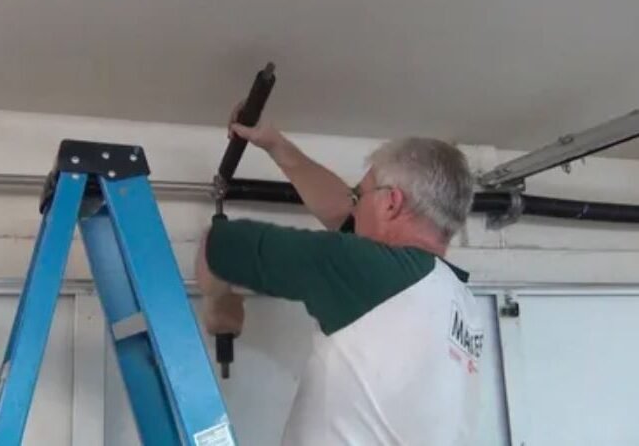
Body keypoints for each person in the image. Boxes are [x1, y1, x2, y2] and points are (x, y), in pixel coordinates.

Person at [195, 106, 482, 445]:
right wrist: (276, 145)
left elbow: (219, 245)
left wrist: (218, 306)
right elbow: (344, 215)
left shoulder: (369, 273)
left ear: (391, 203)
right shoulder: (456, 296)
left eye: (361, 195)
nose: (354, 205)